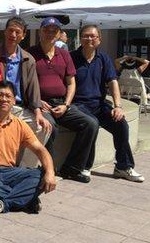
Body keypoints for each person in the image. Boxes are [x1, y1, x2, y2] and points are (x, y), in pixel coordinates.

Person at [0, 81, 56, 217]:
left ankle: (3, 204)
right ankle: (26, 199)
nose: (4, 99)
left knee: (41, 175)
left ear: (13, 101)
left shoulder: (19, 124)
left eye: (8, 96)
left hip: (11, 172)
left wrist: (51, 173)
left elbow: (40, 150)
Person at [71, 25, 144, 182]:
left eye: (93, 36)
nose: (89, 39)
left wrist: (118, 106)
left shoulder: (104, 58)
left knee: (121, 124)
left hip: (99, 104)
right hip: (78, 104)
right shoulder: (71, 57)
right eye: (85, 36)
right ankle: (85, 166)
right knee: (92, 124)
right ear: (80, 38)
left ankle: (123, 167)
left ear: (99, 39)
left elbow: (112, 81)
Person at [29, 17, 98, 183]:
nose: (50, 33)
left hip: (62, 103)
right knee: (50, 126)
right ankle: (49, 169)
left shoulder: (65, 54)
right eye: (47, 30)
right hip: (40, 104)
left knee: (90, 124)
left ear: (59, 34)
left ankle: (72, 168)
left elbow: (71, 82)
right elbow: (26, 83)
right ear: (40, 32)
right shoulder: (30, 53)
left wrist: (66, 104)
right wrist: (37, 102)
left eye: (54, 31)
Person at [0, 17, 54, 167]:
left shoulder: (28, 59)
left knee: (44, 126)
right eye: (10, 30)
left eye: (17, 32)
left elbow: (33, 87)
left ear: (23, 35)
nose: (13, 34)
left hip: (20, 107)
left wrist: (38, 112)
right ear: (4, 31)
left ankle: (26, 168)